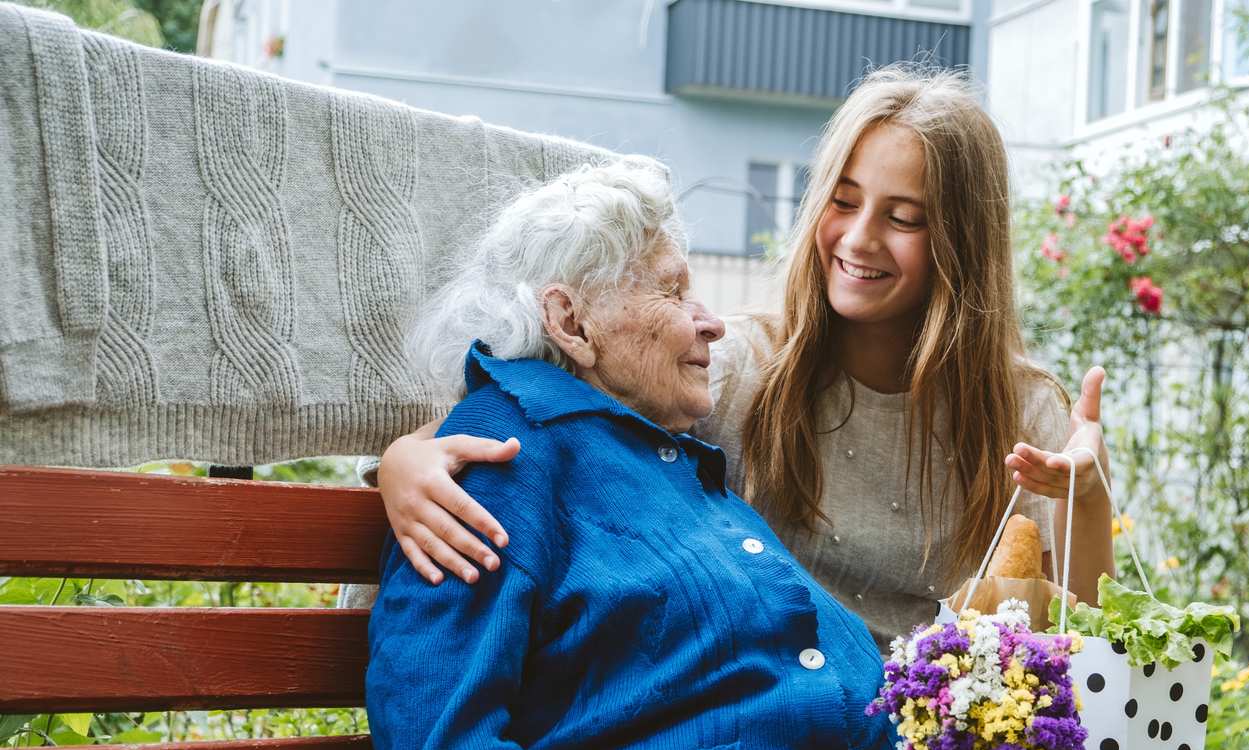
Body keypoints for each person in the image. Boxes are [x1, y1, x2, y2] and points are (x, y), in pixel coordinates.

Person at [370, 65, 1117, 649]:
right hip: (777, 731)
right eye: (844, 200)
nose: (857, 240)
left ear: (964, 244)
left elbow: (1091, 645)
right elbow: (547, 410)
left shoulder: (1023, 412)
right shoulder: (739, 367)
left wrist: (1088, 499)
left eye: (903, 218)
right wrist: (409, 455)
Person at [367, 160, 915, 750]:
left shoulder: (661, 460)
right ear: (571, 322)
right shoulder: (498, 464)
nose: (710, 322)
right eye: (674, 290)